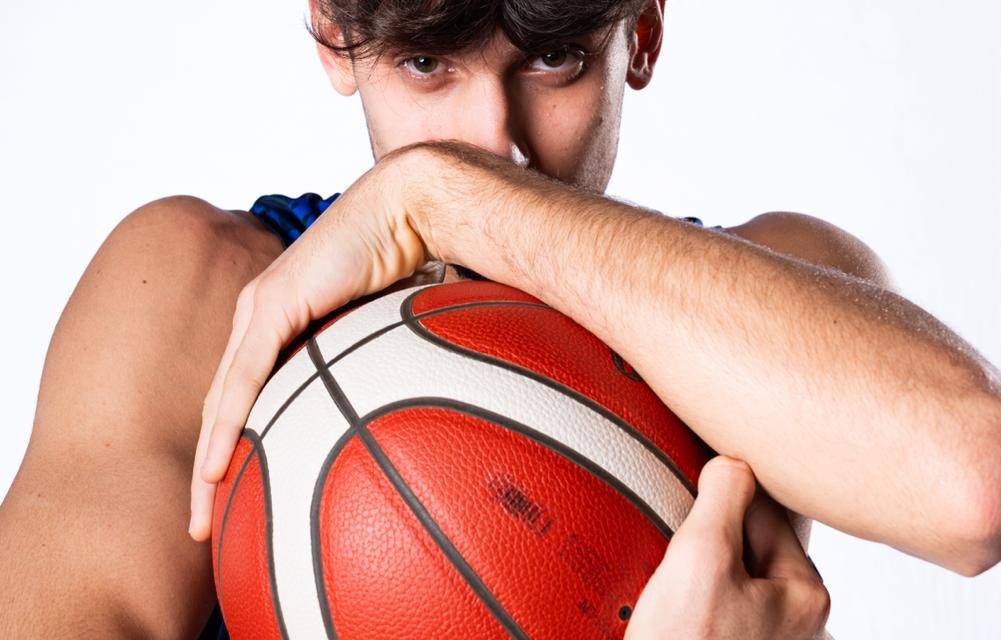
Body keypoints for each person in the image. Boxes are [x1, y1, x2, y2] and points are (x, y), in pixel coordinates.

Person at [1, 0, 998, 638]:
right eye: (428, 65)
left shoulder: (778, 284)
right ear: (330, 33)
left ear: (640, 34)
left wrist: (439, 199)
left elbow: (971, 482)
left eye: (553, 59)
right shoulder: (194, 292)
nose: (492, 144)